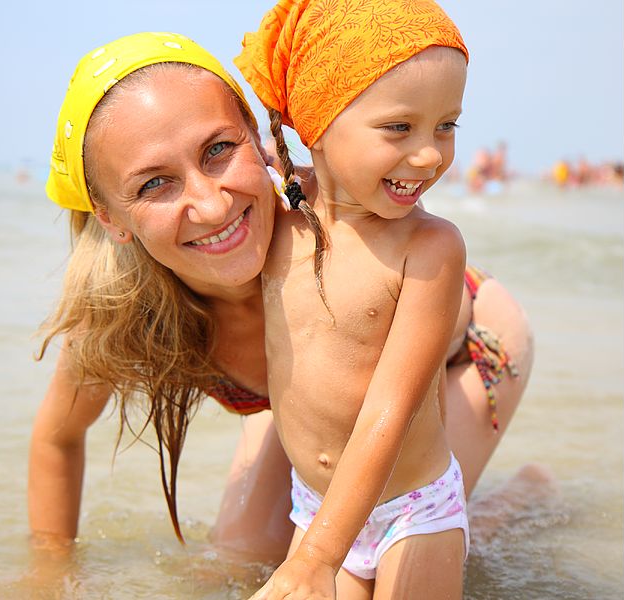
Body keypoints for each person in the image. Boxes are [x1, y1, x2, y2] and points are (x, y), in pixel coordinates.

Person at [28, 29, 533, 578]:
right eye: (155, 185)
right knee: (242, 552)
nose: (211, 204)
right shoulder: (124, 307)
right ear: (111, 218)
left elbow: (399, 396)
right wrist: (49, 577)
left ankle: (517, 508)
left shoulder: (325, 222)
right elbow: (57, 438)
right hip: (319, 400)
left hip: (463, 347)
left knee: (410, 523)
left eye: (218, 150)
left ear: (258, 138)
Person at [235, 1, 495, 597]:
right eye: (399, 127)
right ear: (317, 125)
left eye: (446, 125)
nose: (429, 153)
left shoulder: (431, 248)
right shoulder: (280, 212)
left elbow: (392, 408)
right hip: (317, 503)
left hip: (413, 508)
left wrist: (315, 559)